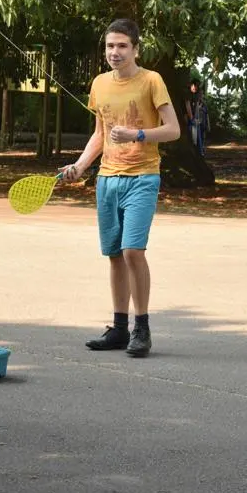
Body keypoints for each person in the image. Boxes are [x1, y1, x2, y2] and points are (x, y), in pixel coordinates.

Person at [60, 19, 181, 357]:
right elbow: (100, 134)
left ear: (136, 49)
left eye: (122, 46)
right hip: (107, 179)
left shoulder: (152, 81)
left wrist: (137, 134)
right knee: (114, 255)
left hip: (143, 177)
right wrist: (80, 166)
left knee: (132, 251)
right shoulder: (99, 84)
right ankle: (119, 328)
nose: (115, 52)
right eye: (110, 46)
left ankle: (142, 328)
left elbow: (173, 130)